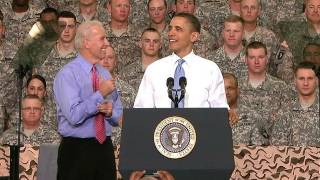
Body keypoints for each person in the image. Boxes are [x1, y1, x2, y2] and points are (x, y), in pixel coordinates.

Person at [54, 20, 123, 180]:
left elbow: (118, 113)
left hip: (104, 148)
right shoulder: (67, 75)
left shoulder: (105, 74)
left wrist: (110, 112)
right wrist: (100, 94)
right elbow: (74, 116)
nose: (106, 43)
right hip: (76, 151)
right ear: (86, 43)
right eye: (102, 39)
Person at [134, 13, 228, 108]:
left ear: (193, 36)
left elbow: (220, 112)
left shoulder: (210, 69)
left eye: (178, 29)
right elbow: (141, 112)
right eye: (170, 28)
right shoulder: (154, 69)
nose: (170, 33)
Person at [238, 41, 291, 145]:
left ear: (267, 59)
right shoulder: (236, 87)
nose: (256, 61)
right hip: (242, 147)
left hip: (273, 148)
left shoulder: (280, 87)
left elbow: (286, 119)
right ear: (245, 60)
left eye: (261, 57)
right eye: (252, 58)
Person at [271, 61, 319, 147]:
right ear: (295, 81)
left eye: (310, 78)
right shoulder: (285, 111)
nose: (305, 83)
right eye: (301, 78)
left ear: (316, 81)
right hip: (291, 160)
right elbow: (278, 148)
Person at [223, 73, 264, 145]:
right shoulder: (211, 116)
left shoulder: (253, 116)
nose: (226, 92)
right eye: (222, 89)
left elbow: (260, 150)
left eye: (230, 88)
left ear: (237, 91)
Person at [119, 27, 162, 93]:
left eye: (155, 41)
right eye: (147, 41)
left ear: (160, 45)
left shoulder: (168, 70)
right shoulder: (126, 72)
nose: (151, 44)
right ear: (140, 44)